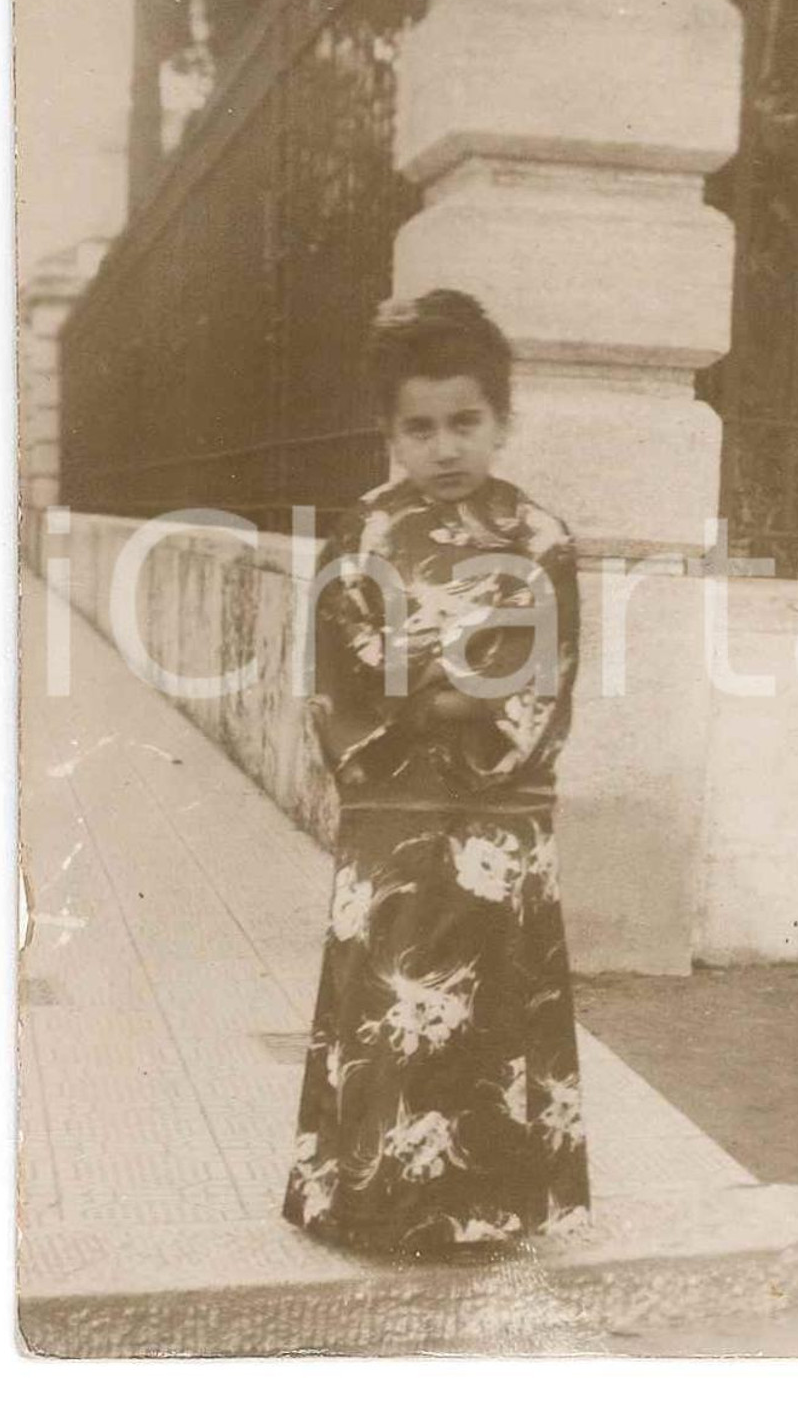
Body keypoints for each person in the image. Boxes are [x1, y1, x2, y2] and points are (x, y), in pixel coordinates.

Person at [282, 289, 591, 1257]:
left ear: (501, 420)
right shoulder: (363, 534)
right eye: (419, 428)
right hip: (394, 806)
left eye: (465, 421)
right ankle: (367, 1201)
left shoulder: (541, 539)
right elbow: (347, 664)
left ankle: (488, 1208)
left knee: (485, 990)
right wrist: (458, 669)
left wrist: (427, 671)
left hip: (496, 809)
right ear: (389, 432)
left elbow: (539, 674)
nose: (444, 446)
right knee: (392, 989)